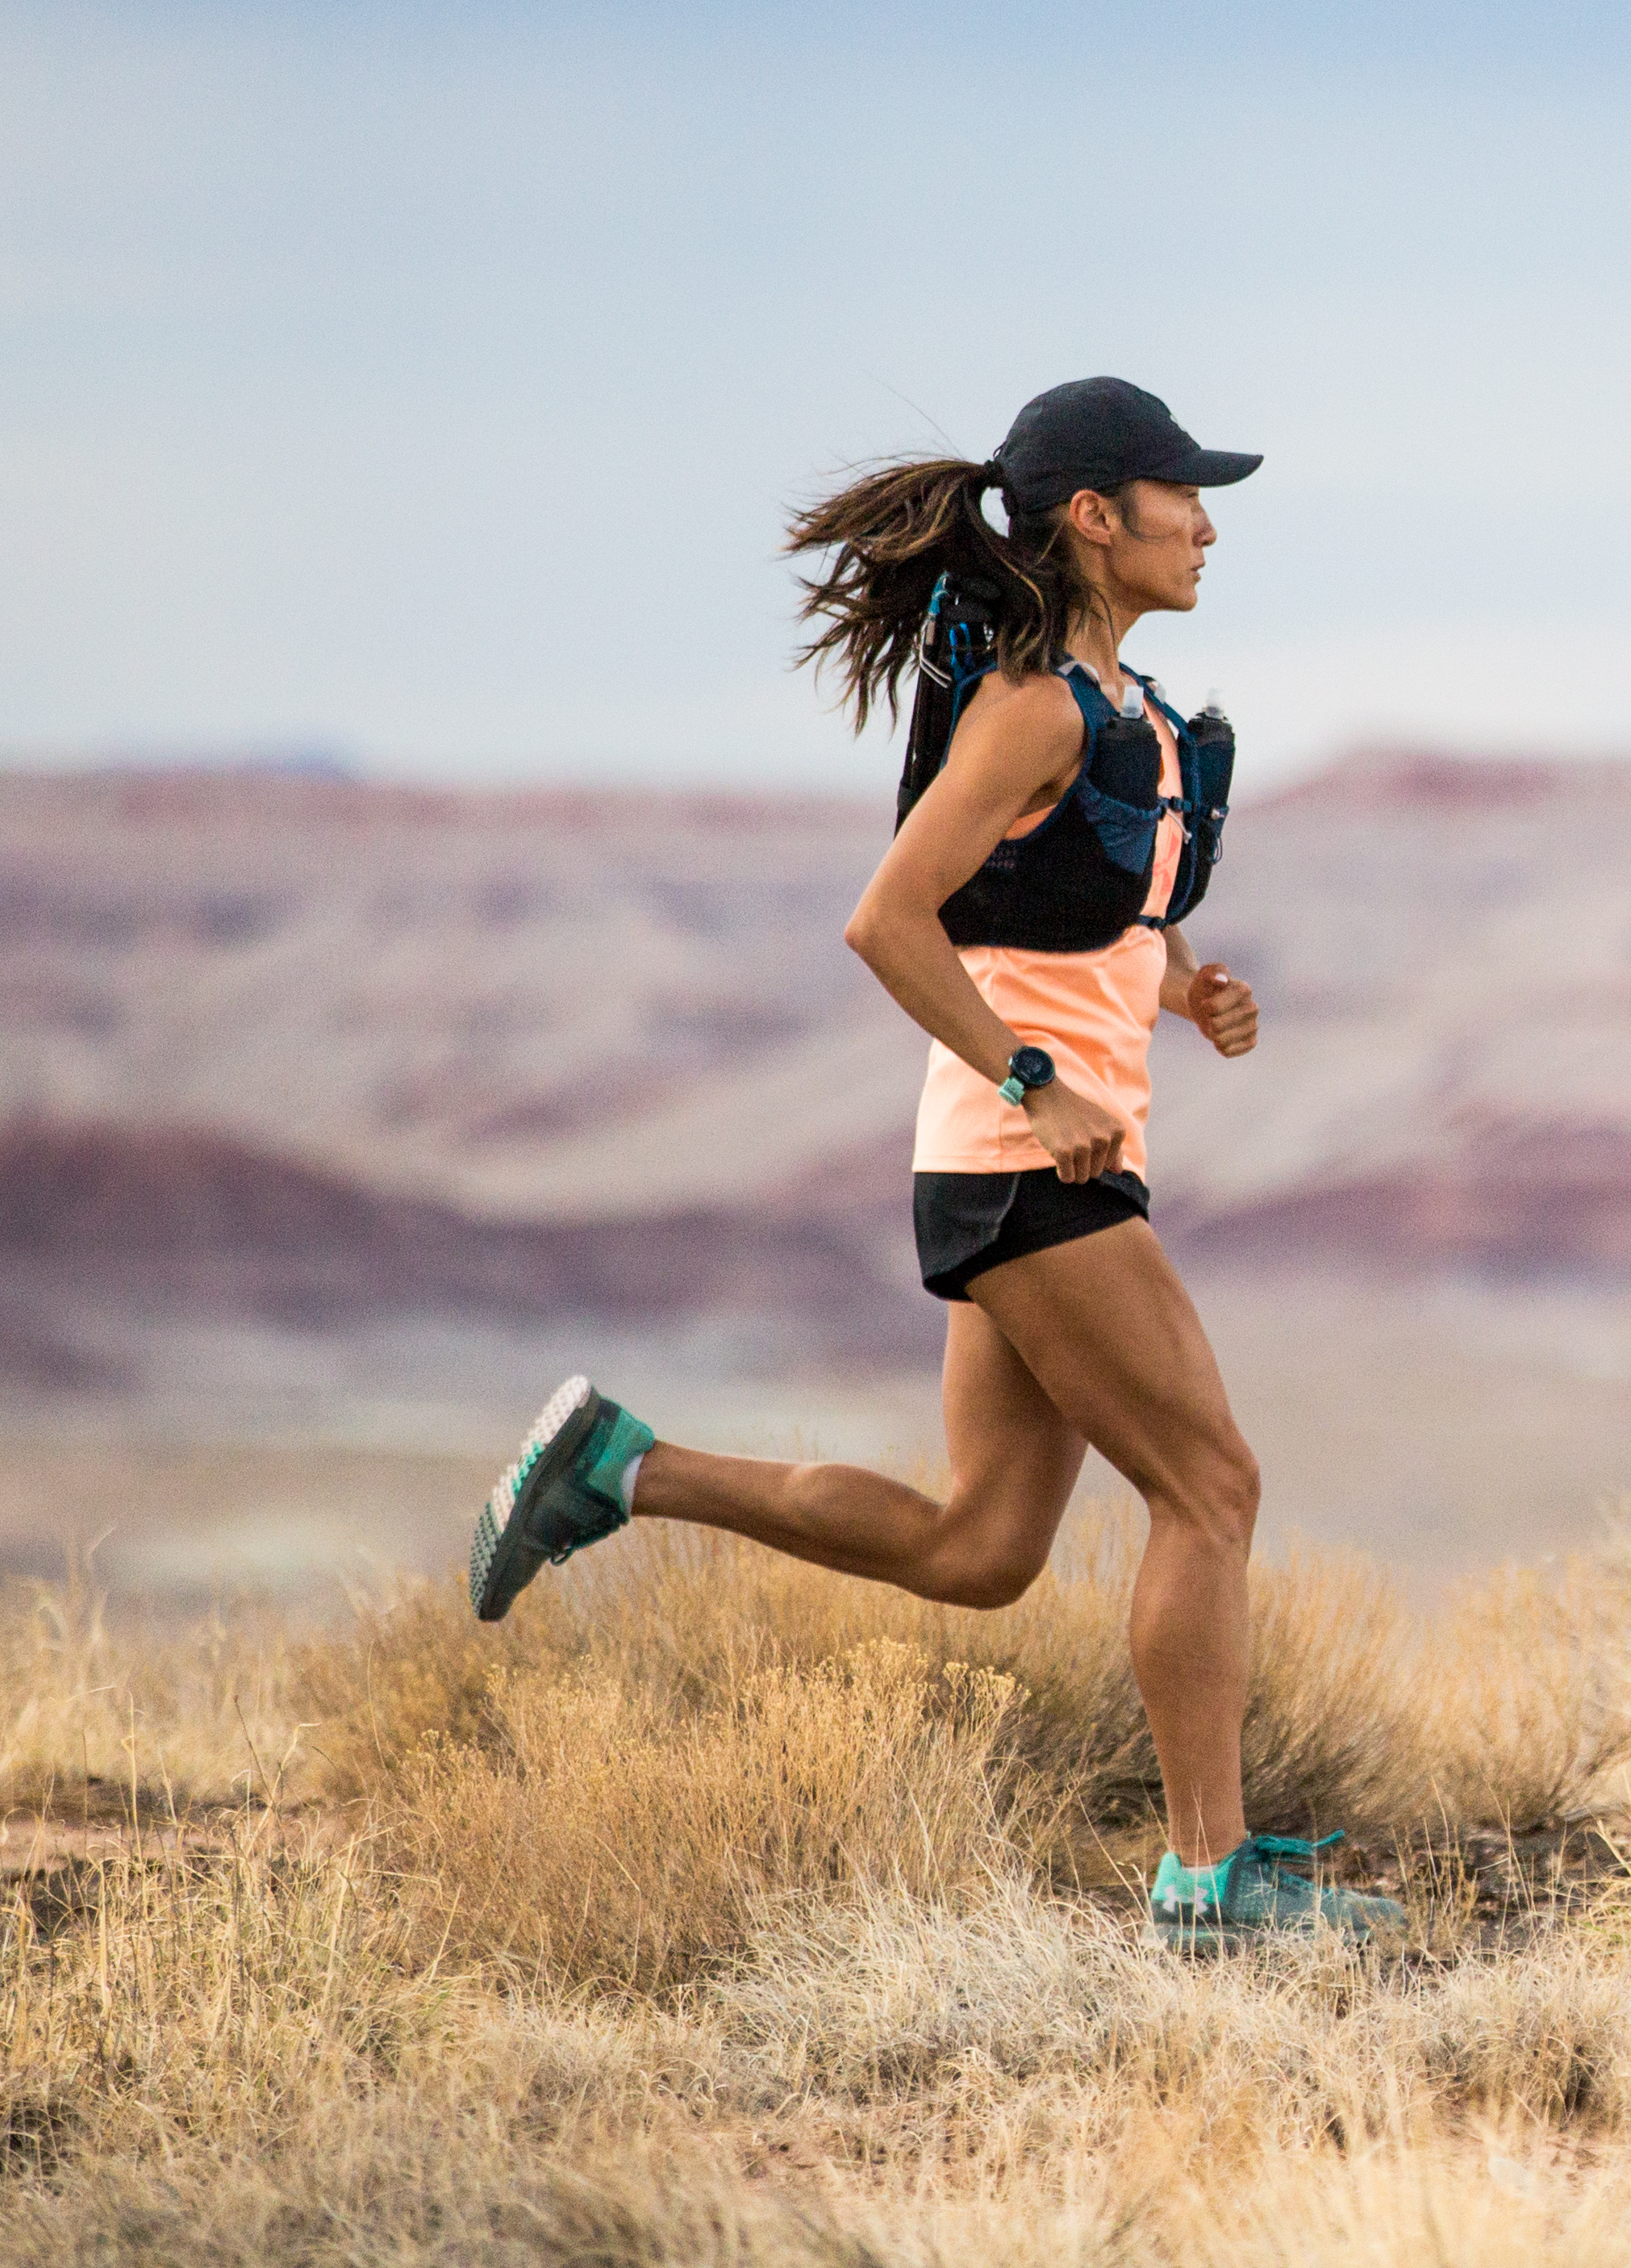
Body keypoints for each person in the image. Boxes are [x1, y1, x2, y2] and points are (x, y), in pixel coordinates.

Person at [460, 376, 1393, 1956]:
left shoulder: (1137, 720)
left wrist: (1179, 985)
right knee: (1211, 1488)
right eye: (1184, 496)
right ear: (1096, 515)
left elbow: (1066, 914)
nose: (1211, 523)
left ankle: (619, 1466)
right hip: (1025, 1163)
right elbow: (888, 918)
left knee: (981, 1553)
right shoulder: (1029, 708)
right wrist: (1034, 1082)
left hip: (1046, 1160)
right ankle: (1207, 1883)